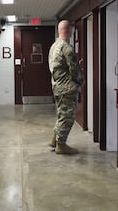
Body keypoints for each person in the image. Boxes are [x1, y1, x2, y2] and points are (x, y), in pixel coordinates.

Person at [48, 20, 84, 154]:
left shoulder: (54, 46)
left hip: (57, 86)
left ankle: (54, 140)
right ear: (69, 31)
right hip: (67, 88)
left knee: (61, 114)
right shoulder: (67, 48)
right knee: (67, 116)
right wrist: (80, 82)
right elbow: (75, 70)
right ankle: (61, 145)